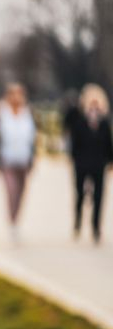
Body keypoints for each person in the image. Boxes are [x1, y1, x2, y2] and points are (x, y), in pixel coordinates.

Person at [0, 83, 37, 244]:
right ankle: (12, 222)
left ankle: (17, 218)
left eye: (19, 94)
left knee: (22, 192)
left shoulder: (28, 113)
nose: (16, 97)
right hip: (7, 159)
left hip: (24, 158)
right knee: (11, 191)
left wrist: (33, 156)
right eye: (13, 94)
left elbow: (33, 137)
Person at [63, 84, 113, 244]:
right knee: (80, 194)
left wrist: (110, 161)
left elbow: (108, 144)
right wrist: (74, 159)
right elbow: (74, 143)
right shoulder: (79, 122)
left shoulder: (104, 124)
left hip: (99, 164)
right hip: (82, 164)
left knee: (99, 196)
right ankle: (78, 221)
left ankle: (96, 226)